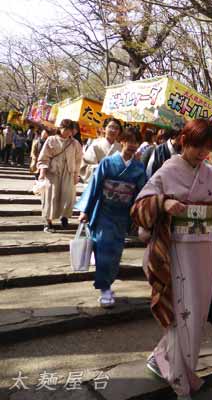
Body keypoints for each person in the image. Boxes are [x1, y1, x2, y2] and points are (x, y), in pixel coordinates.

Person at [131, 119, 212, 400]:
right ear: (184, 142)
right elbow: (139, 206)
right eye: (197, 148)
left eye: (207, 149)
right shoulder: (168, 170)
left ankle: (162, 360)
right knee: (181, 315)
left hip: (206, 251)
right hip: (177, 253)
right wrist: (163, 203)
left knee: (196, 317)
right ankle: (180, 380)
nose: (202, 154)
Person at [76, 128, 147, 308]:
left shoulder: (139, 168)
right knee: (104, 249)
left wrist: (140, 213)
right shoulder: (107, 163)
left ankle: (108, 284)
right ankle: (105, 289)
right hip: (104, 212)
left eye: (135, 142)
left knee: (115, 253)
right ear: (122, 141)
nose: (132, 145)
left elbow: (141, 192)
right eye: (129, 140)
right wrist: (85, 209)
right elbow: (95, 186)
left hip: (123, 215)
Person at [37, 119, 83, 232]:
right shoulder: (51, 140)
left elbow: (78, 160)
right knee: (50, 197)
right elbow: (44, 157)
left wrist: (76, 175)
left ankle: (65, 216)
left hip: (69, 172)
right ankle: (48, 222)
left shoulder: (75, 143)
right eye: (65, 129)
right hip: (53, 173)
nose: (67, 132)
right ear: (60, 128)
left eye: (69, 129)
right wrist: (42, 173)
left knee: (68, 196)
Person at [80, 119, 123, 183]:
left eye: (117, 128)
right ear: (103, 129)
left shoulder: (121, 148)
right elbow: (85, 167)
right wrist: (102, 167)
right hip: (97, 181)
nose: (113, 130)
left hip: (114, 185)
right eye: (110, 127)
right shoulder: (95, 145)